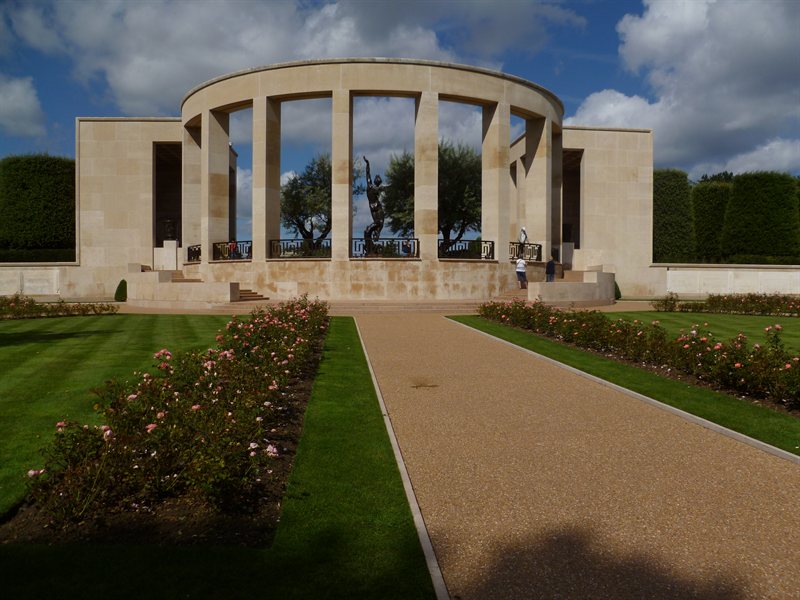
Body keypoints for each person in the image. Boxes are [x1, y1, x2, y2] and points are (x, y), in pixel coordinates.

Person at [363, 156, 385, 254]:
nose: (377, 179)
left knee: (378, 222)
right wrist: (367, 164)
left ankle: (377, 233)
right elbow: (367, 174)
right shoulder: (370, 186)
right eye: (377, 179)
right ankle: (370, 248)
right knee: (370, 229)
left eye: (378, 179)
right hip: (373, 208)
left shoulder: (378, 188)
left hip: (377, 207)